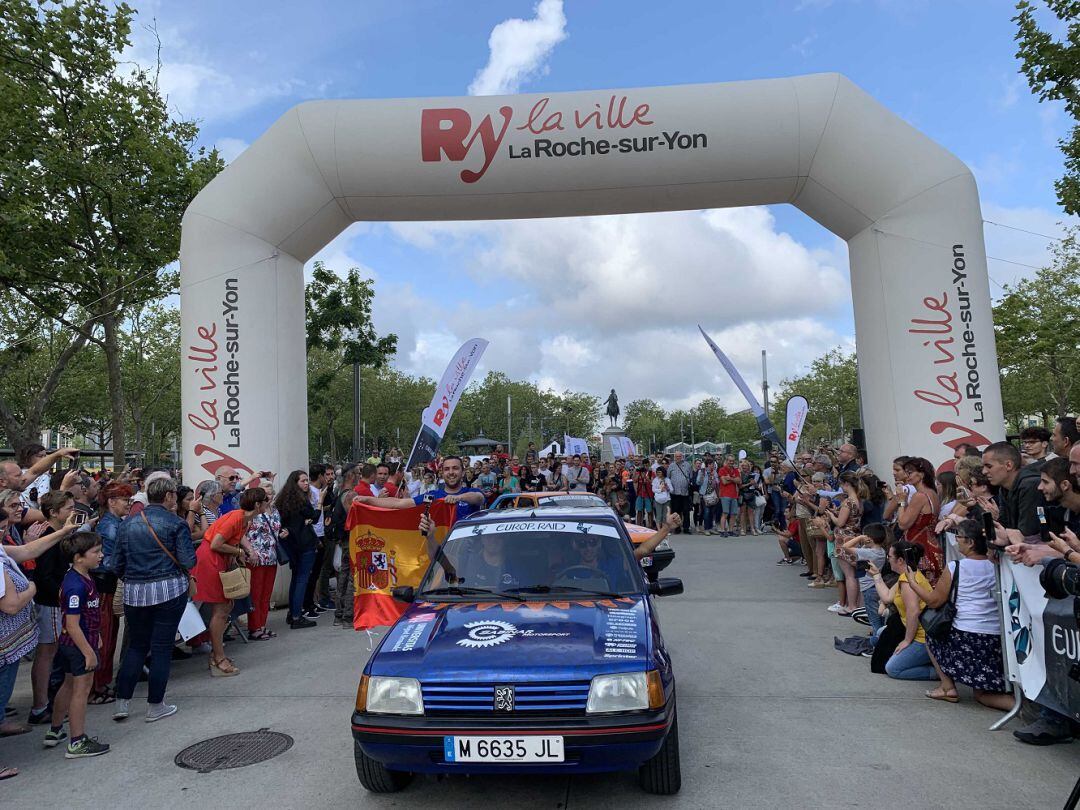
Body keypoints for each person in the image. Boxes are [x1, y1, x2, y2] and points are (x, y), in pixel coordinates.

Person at [900, 519, 1012, 709]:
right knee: (983, 693)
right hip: (995, 635)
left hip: (966, 633)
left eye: (958, 537)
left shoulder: (956, 567)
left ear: (970, 542)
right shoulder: (998, 565)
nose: (956, 541)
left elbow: (934, 600)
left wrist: (913, 583)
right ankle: (1022, 706)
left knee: (932, 636)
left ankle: (947, 686)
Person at [112, 476, 195, 723]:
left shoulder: (127, 523)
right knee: (161, 648)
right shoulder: (176, 523)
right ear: (169, 496)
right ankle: (155, 705)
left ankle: (122, 703)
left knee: (137, 646)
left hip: (135, 592)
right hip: (169, 589)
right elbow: (189, 560)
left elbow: (116, 563)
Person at [47, 532, 110, 757]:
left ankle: (55, 730)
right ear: (78, 557)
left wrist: (97, 636)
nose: (101, 555)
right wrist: (88, 652)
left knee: (69, 684)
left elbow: (87, 614)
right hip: (78, 645)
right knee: (81, 691)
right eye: (95, 552)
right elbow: (72, 624)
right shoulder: (75, 585)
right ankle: (77, 741)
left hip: (76, 641)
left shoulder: (82, 576)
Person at [193, 487, 263, 676]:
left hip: (217, 560)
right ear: (257, 505)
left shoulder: (243, 519)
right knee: (221, 610)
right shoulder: (237, 517)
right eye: (265, 501)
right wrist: (240, 552)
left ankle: (217, 655)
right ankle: (218, 658)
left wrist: (236, 553)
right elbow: (216, 543)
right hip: (210, 561)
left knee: (224, 608)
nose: (268, 504)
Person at [26, 491, 82, 726]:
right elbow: (44, 576)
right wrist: (63, 595)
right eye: (68, 508)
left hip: (56, 603)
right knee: (47, 653)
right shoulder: (48, 538)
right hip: (50, 605)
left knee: (54, 653)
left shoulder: (59, 535)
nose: (73, 512)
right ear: (53, 513)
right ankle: (40, 706)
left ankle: (51, 699)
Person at [91, 482, 133, 704]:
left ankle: (101, 684)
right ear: (111, 501)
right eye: (125, 500)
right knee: (104, 637)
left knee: (108, 637)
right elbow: (107, 561)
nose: (129, 504)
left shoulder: (112, 523)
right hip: (104, 587)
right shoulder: (109, 525)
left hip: (108, 586)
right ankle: (97, 686)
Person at [870, 540, 935, 681]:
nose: (888, 560)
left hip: (922, 637)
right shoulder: (907, 575)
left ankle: (938, 672)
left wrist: (907, 640)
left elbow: (914, 612)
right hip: (913, 630)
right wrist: (876, 575)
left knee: (893, 669)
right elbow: (887, 598)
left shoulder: (907, 581)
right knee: (880, 635)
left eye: (889, 557)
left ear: (900, 560)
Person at [361, 456, 485, 521]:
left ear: (463, 472)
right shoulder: (432, 496)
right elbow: (398, 503)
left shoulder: (471, 492)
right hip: (442, 553)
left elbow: (478, 498)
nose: (451, 472)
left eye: (455, 468)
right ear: (442, 473)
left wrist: (457, 498)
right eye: (447, 469)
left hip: (469, 553)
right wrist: (368, 500)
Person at [275, 471, 319, 629]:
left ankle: (293, 613)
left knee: (296, 578)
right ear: (295, 483)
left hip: (292, 544)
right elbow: (314, 516)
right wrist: (319, 505)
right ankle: (296, 615)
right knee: (302, 579)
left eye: (307, 480)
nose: (306, 483)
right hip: (304, 543)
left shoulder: (283, 500)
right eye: (303, 481)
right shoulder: (301, 500)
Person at [896, 457, 943, 584]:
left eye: (910, 472)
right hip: (931, 546)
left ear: (921, 474)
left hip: (918, 548)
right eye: (906, 472)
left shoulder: (920, 496)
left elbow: (902, 524)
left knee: (917, 587)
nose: (906, 476)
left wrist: (900, 501)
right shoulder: (933, 493)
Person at [246, 480, 282, 640]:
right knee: (256, 593)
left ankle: (261, 624)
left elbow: (276, 529)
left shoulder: (274, 510)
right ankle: (254, 627)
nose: (268, 497)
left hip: (272, 556)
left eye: (270, 493)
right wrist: (249, 551)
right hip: (257, 556)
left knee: (266, 594)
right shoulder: (253, 511)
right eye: (265, 494)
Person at [716, 456, 740, 537]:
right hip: (725, 494)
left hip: (734, 495)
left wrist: (730, 478)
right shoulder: (722, 469)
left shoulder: (735, 470)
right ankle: (722, 531)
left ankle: (730, 530)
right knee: (725, 513)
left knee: (733, 514)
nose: (731, 462)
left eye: (733, 461)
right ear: (727, 461)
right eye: (730, 461)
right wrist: (733, 479)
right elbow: (724, 482)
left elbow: (739, 481)